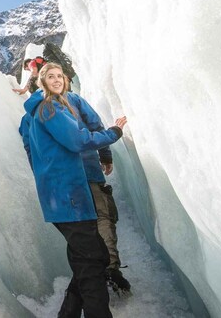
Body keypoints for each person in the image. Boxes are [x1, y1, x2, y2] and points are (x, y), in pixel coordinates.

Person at [21, 62, 128, 318]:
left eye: (60, 76)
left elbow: (30, 151)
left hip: (62, 195)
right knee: (93, 262)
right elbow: (78, 139)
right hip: (70, 194)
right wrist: (114, 133)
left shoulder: (33, 116)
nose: (57, 80)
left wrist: (47, 177)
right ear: (41, 81)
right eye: (51, 76)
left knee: (87, 258)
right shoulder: (50, 108)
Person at [68, 93, 131, 293]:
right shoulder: (71, 100)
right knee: (102, 217)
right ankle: (109, 269)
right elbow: (95, 126)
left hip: (68, 178)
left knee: (86, 224)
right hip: (84, 172)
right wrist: (105, 154)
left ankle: (98, 273)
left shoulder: (40, 108)